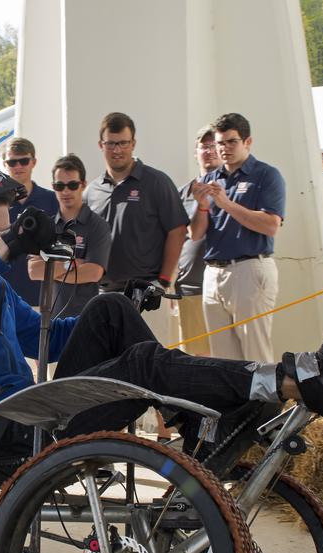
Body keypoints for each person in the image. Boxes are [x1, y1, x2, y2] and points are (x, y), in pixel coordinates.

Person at [0, 166, 323, 469]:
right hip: (5, 437)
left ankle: (195, 428)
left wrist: (127, 299)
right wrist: (8, 247)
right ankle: (295, 378)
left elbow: (54, 338)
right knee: (141, 369)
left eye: (1, 234)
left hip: (35, 416)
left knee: (108, 308)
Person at [85, 112, 190, 439]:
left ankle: (167, 440)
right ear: (101, 145)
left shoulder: (155, 182)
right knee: (108, 374)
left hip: (148, 292)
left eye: (124, 143)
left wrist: (163, 280)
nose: (118, 150)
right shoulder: (91, 191)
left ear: (134, 143)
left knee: (156, 368)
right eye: (112, 144)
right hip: (106, 296)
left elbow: (177, 230)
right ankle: (109, 443)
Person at [189, 113, 286, 363]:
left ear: (248, 142)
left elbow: (271, 225)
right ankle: (235, 404)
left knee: (255, 353)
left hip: (249, 268)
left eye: (231, 142)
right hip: (213, 272)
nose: (224, 149)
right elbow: (195, 234)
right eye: (220, 143)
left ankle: (266, 402)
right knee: (223, 359)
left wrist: (226, 203)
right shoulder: (210, 178)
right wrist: (201, 205)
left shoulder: (266, 175)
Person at [23, 153, 111, 318]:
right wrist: (69, 265)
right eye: (59, 186)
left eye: (72, 185)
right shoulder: (46, 227)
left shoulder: (98, 226)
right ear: (53, 186)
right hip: (50, 322)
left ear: (83, 184)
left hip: (85, 320)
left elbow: (93, 273)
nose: (65, 191)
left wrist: (50, 267)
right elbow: (33, 271)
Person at [174, 125, 224, 357]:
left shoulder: (233, 188)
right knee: (195, 359)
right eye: (204, 146)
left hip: (226, 288)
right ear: (196, 151)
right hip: (190, 288)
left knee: (230, 357)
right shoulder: (182, 193)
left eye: (214, 145)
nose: (210, 150)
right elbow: (174, 239)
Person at [0, 137, 59, 306]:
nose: (18, 167)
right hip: (6, 297)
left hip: (45, 296)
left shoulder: (52, 200)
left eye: (24, 161)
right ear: (4, 165)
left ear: (33, 162)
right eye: (12, 162)